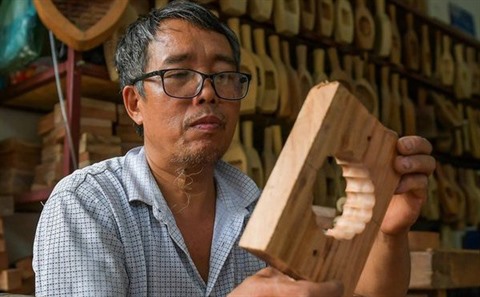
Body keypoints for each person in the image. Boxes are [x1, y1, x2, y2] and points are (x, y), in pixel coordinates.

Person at [33, 1, 436, 296]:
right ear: (135, 104)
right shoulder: (86, 206)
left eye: (224, 76)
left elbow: (364, 293)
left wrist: (388, 232)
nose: (208, 93)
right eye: (178, 75)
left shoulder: (261, 210)